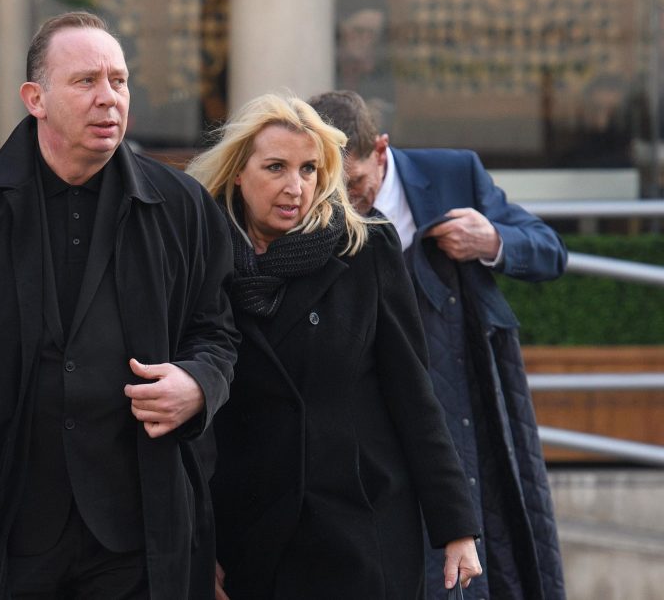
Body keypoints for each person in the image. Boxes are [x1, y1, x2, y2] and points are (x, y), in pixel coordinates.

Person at [0, 11, 239, 600]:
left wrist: (199, 384)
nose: (109, 98)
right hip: (0, 518)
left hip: (136, 526)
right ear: (36, 98)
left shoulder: (181, 205)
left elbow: (218, 333)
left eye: (119, 81)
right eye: (86, 82)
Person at [186, 92, 482, 599]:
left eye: (309, 169)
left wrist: (456, 527)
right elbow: (196, 425)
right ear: (238, 171)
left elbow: (414, 395)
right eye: (276, 167)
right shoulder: (199, 258)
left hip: (363, 526)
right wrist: (199, 541)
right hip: (252, 534)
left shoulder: (365, 247)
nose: (294, 187)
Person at [308, 89, 568, 600]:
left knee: (485, 542)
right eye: (332, 186)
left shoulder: (454, 173)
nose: (346, 199)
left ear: (381, 150)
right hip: (371, 411)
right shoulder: (315, 204)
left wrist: (492, 239)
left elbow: (550, 252)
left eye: (355, 183)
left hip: (462, 391)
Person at [336, 0, 395, 133]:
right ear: (341, 29)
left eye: (373, 35)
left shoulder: (379, 73)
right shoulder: (326, 67)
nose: (366, 42)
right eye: (359, 31)